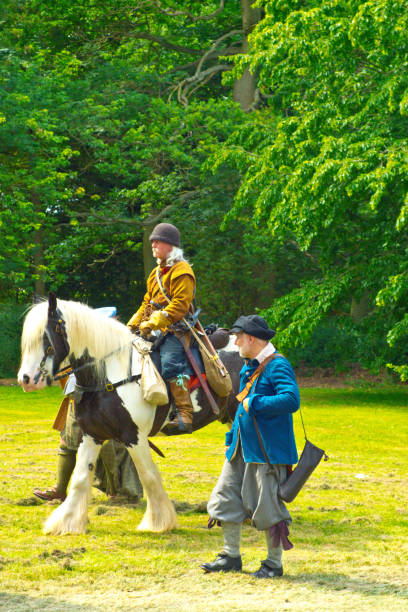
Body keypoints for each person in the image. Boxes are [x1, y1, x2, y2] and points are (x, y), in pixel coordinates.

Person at [201, 314, 300, 579]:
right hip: (241, 449)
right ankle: (230, 556)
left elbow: (291, 400)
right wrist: (230, 439)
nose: (235, 341)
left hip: (267, 452)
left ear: (251, 339)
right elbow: (241, 410)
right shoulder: (250, 365)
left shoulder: (277, 365)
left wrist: (256, 403)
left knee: (268, 507)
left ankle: (273, 564)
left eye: (238, 337)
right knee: (225, 498)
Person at [33, 307, 143, 503]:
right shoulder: (81, 342)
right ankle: (59, 490)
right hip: (77, 398)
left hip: (105, 404)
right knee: (67, 442)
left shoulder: (119, 346)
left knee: (107, 446)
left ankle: (116, 492)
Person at [127, 222, 201, 434]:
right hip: (154, 329)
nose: (153, 244)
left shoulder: (182, 271)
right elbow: (146, 304)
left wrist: (153, 323)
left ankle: (185, 414)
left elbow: (180, 305)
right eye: (152, 241)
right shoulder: (155, 274)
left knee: (171, 364)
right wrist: (131, 325)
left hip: (177, 329)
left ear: (171, 246)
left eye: (158, 241)